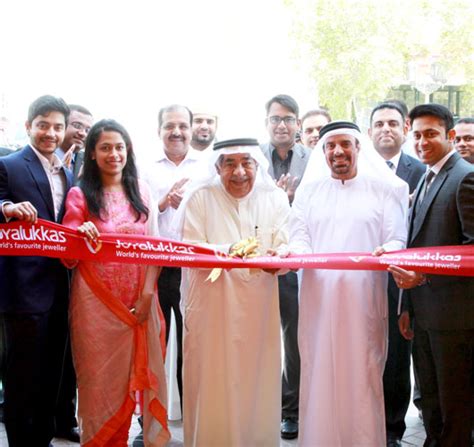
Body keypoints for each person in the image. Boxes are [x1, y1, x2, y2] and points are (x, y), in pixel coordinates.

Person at [290, 120, 408, 446]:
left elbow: (396, 238)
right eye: (330, 146)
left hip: (363, 299)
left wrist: (389, 250)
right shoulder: (309, 192)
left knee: (362, 373)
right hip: (318, 299)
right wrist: (296, 254)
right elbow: (298, 237)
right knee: (319, 371)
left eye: (345, 144)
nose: (338, 151)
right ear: (323, 151)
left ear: (358, 147)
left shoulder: (383, 190)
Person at [61, 119, 169, 446]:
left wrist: (147, 294)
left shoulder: (143, 191)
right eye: (105, 147)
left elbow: (155, 247)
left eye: (119, 147)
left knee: (135, 379)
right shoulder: (80, 195)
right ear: (93, 153)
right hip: (96, 306)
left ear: (128, 150)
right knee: (98, 384)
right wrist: (78, 234)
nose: (114, 154)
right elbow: (67, 255)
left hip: (139, 302)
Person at [177, 138, 290, 446]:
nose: (239, 172)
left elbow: (285, 247)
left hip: (259, 311)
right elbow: (190, 249)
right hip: (212, 309)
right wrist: (231, 250)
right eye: (230, 163)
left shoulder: (274, 198)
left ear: (257, 164)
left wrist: (278, 261)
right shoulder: (200, 198)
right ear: (217, 167)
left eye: (246, 163)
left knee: (257, 379)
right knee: (213, 379)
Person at [389, 103, 474, 447]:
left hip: (456, 319)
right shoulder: (427, 177)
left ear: (450, 135)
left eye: (431, 134)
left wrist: (423, 279)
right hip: (423, 315)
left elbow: (471, 253)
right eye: (417, 135)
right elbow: (417, 246)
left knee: (455, 405)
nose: (422, 142)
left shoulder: (465, 177)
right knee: (431, 403)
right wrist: (407, 305)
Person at [0, 95, 73, 447]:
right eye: (43, 125)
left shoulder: (68, 173)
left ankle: (43, 440)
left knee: (51, 376)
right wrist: (7, 207)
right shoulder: (9, 165)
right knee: (21, 377)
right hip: (23, 289)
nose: (51, 133)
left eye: (58, 127)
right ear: (29, 126)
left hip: (62, 287)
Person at [369, 101, 425, 447]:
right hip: (363, 278)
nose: (385, 129)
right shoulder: (359, 170)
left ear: (404, 128)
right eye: (379, 124)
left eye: (392, 123)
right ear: (370, 131)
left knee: (397, 359)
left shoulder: (421, 169)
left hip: (404, 280)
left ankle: (392, 430)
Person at [141, 104, 203, 416]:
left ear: (191, 130)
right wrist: (163, 203)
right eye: (169, 126)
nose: (176, 132)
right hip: (156, 266)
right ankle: (150, 421)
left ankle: (193, 419)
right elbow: (134, 214)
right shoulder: (144, 167)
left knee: (192, 345)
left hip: (194, 267)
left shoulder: (206, 166)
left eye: (182, 126)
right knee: (154, 346)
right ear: (159, 130)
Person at [260, 94, 310, 439]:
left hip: (295, 261)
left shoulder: (313, 159)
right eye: (276, 119)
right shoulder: (252, 157)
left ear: (298, 124)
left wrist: (290, 200)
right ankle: (259, 405)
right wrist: (277, 199)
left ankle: (290, 410)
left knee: (294, 337)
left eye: (288, 119)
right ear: (267, 123)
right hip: (259, 259)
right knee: (257, 335)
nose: (282, 125)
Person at [56, 104, 94, 183]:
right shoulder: (43, 155)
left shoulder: (88, 162)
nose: (83, 133)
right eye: (77, 126)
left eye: (87, 130)